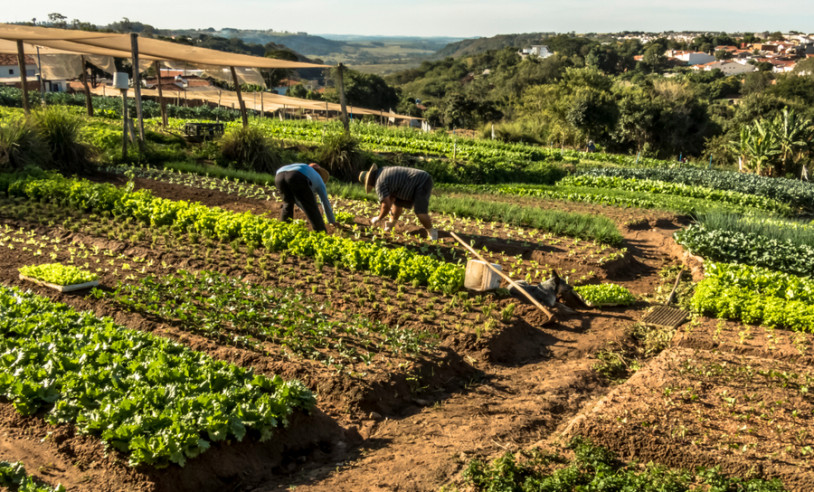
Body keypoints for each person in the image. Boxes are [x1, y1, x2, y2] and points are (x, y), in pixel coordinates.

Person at [358, 164, 437, 240]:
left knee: (420, 211)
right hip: (409, 183)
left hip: (421, 181)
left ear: (370, 181)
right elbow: (392, 198)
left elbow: (386, 205)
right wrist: (391, 203)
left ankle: (432, 232)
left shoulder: (379, 183)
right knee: (397, 203)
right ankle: (390, 225)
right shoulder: (382, 172)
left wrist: (378, 218)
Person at [275, 163, 335, 233]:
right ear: (319, 173)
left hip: (279, 176)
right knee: (312, 208)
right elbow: (324, 201)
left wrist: (304, 209)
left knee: (288, 203)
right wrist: (331, 220)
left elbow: (297, 199)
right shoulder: (319, 179)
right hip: (296, 176)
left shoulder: (304, 169)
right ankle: (321, 234)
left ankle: (283, 232)